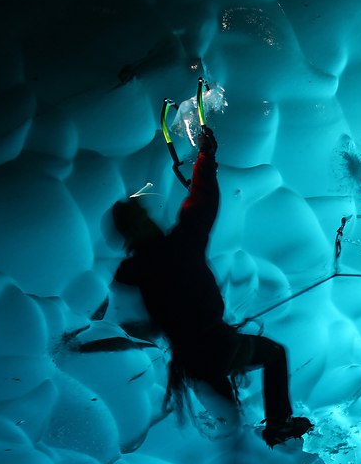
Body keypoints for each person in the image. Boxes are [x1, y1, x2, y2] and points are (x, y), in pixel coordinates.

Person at [112, 125, 313, 447]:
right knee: (273, 355)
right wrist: (207, 156)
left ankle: (246, 450)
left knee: (230, 418)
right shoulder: (180, 243)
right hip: (217, 345)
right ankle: (277, 428)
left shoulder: (130, 270)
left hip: (190, 358)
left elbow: (134, 321)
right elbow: (203, 201)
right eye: (143, 217)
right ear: (141, 225)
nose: (150, 218)